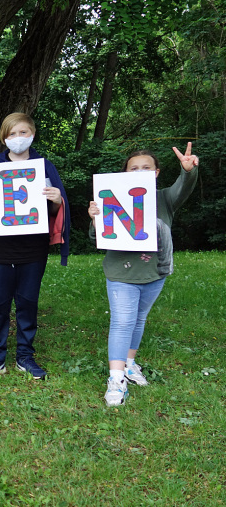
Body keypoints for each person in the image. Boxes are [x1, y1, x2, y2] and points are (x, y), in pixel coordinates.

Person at [88, 143, 199, 407]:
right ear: (125, 174)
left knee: (139, 319)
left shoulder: (164, 198)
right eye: (133, 168)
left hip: (155, 271)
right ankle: (116, 380)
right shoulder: (110, 196)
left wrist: (188, 172)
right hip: (120, 272)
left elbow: (183, 188)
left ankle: (128, 364)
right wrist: (94, 218)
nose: (139, 171)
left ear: (156, 173)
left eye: (146, 168)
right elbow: (96, 237)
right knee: (122, 321)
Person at [0, 113, 70, 380]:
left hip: (33, 248)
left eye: (23, 132)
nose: (18, 138)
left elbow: (57, 208)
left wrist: (58, 199)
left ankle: (25, 356)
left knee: (28, 303)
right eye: (12, 134)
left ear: (33, 134)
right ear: (4, 138)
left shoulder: (45, 167)